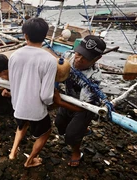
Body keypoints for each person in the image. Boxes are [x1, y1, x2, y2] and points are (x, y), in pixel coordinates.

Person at [0, 17, 57, 168]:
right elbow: (46, 96)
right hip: (37, 111)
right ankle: (30, 161)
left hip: (17, 107)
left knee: (21, 126)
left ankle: (13, 152)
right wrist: (52, 103)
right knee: (45, 133)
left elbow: (15, 83)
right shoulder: (50, 60)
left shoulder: (14, 56)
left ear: (25, 36)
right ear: (45, 36)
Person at [54, 35, 107, 167]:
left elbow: (83, 107)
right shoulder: (68, 55)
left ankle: (76, 152)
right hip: (68, 98)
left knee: (71, 136)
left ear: (97, 59)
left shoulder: (94, 77)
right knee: (59, 125)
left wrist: (59, 102)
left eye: (86, 57)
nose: (79, 59)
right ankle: (82, 129)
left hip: (85, 106)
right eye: (79, 53)